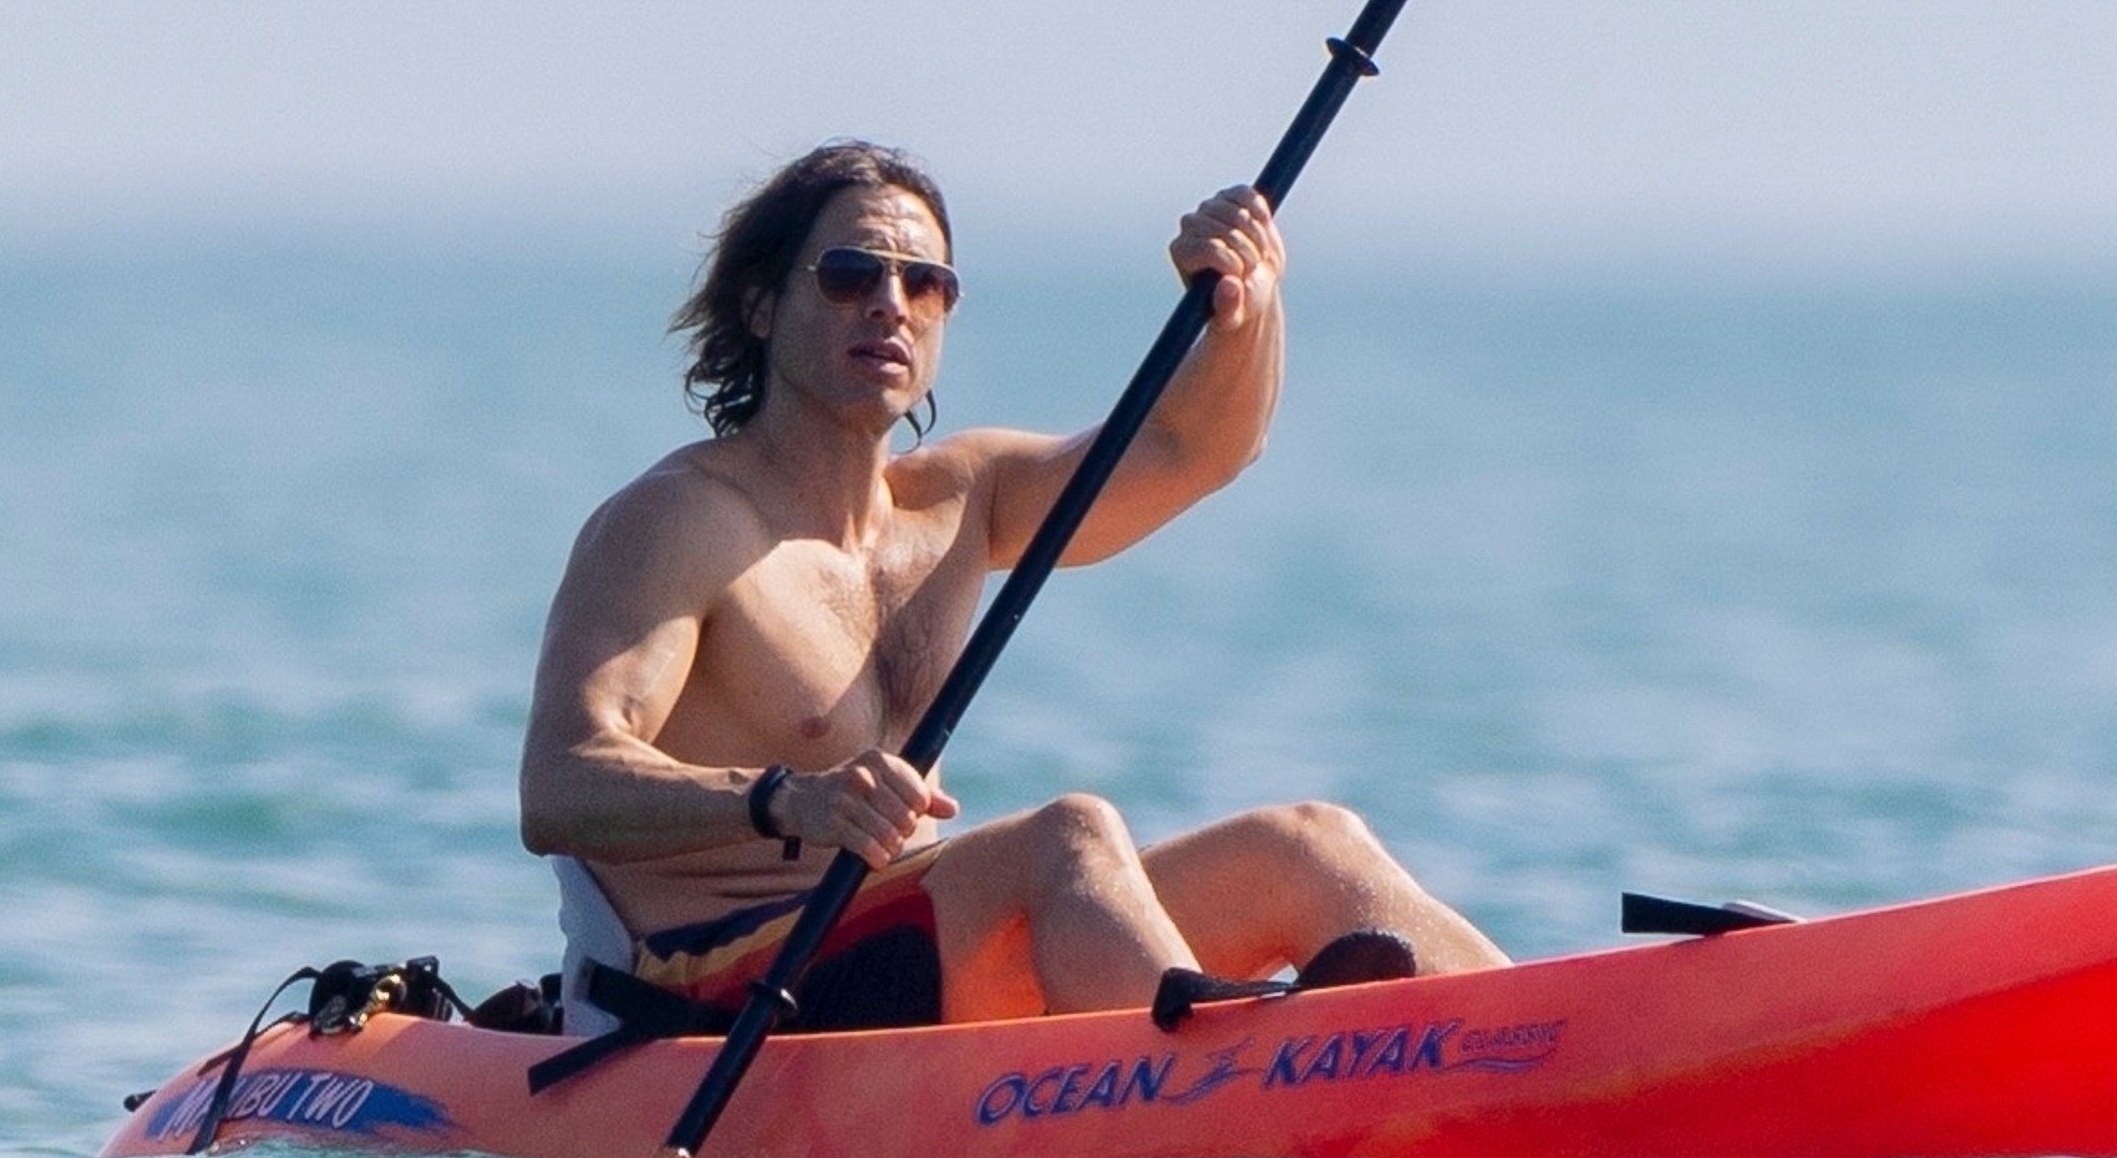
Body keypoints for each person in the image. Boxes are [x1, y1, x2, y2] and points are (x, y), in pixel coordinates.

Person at [517, 139, 1505, 1030]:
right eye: (851, 274)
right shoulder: (679, 522)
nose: (890, 304)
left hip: (901, 949)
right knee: (1067, 833)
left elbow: (1189, 450)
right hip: (710, 994)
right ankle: (1215, 1077)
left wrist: (1243, 303)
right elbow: (559, 783)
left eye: (925, 282)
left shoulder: (961, 499)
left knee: (1309, 844)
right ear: (762, 306)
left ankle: (1531, 1037)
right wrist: (784, 800)